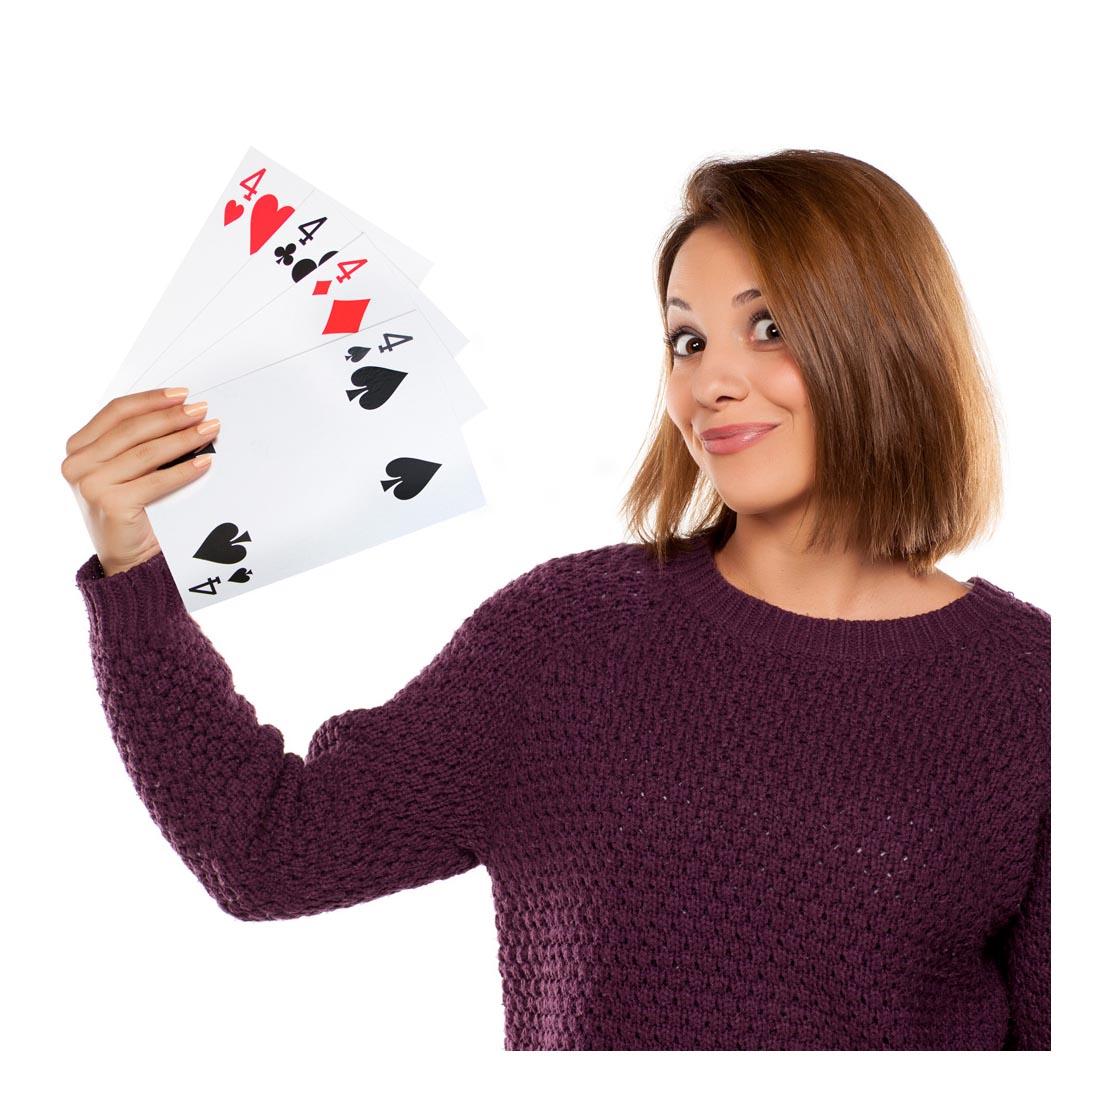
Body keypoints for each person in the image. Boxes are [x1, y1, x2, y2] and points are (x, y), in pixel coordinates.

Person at [62, 148, 1050, 1051]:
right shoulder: (565, 641)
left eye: (769, 326)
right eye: (685, 339)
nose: (711, 380)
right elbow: (267, 850)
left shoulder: (1036, 691)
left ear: (886, 338)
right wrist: (130, 561)